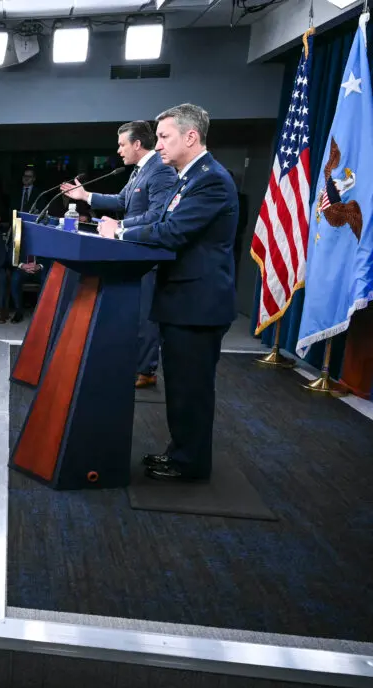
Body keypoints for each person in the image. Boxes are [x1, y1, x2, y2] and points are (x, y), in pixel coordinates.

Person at [98, 103, 238, 482]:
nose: (156, 145)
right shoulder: (187, 178)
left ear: (190, 137)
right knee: (179, 386)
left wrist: (122, 232)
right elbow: (161, 219)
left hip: (199, 304)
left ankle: (190, 463)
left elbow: (173, 232)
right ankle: (179, 453)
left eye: (163, 137)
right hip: (183, 301)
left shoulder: (210, 180)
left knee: (191, 389)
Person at [63, 120, 178, 389]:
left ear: (137, 144)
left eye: (122, 144)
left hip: (148, 254)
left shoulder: (160, 171)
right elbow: (122, 202)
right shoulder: (140, 170)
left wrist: (120, 227)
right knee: (134, 313)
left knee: (145, 316)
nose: (118, 150)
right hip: (131, 253)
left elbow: (157, 216)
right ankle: (135, 362)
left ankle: (147, 369)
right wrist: (85, 195)